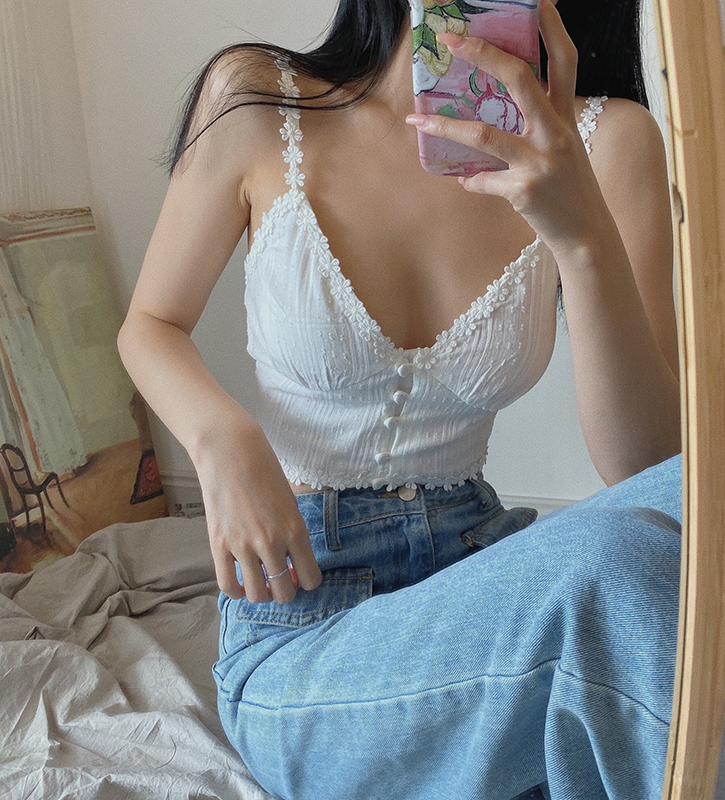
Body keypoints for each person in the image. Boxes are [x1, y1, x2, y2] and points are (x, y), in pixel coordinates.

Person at [117, 0, 683, 797]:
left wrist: (581, 233)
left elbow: (647, 466)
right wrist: (223, 440)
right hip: (303, 622)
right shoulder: (258, 100)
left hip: (480, 573)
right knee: (616, 570)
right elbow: (150, 324)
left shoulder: (608, 139)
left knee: (696, 500)